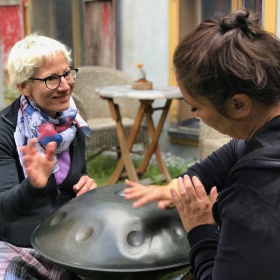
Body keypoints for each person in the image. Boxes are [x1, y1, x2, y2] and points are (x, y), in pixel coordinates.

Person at [124, 8, 280, 280]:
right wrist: (180, 186)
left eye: (195, 107)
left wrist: (200, 228)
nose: (194, 116)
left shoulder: (254, 191)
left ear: (239, 104)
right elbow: (235, 151)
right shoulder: (268, 133)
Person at [0, 33, 97, 279]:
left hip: (68, 238)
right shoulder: (6, 130)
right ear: (24, 86)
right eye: (51, 79)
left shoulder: (71, 122)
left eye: (66, 74)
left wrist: (86, 185)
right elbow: (4, 211)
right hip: (20, 245)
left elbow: (75, 177)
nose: (65, 86)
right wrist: (33, 186)